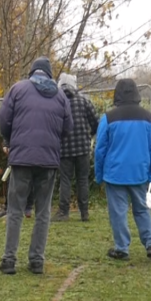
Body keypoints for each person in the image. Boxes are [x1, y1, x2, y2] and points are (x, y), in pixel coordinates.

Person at [0, 57, 73, 275]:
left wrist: (10, 140)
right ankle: (37, 260)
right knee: (43, 211)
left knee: (16, 209)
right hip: (48, 161)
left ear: (32, 72)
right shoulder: (60, 95)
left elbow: (4, 118)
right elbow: (68, 127)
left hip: (21, 157)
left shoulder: (18, 89)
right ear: (50, 74)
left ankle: (9, 259)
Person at [95, 79, 151, 261]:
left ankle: (121, 247)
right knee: (142, 210)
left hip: (114, 173)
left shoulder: (108, 118)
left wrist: (99, 174)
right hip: (139, 173)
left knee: (118, 212)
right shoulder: (148, 117)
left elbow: (100, 149)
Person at [53, 73, 99, 222]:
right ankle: (84, 213)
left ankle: (64, 212)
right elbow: (96, 122)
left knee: (65, 180)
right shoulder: (84, 101)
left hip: (64, 149)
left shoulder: (57, 103)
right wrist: (89, 135)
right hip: (83, 148)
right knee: (82, 180)